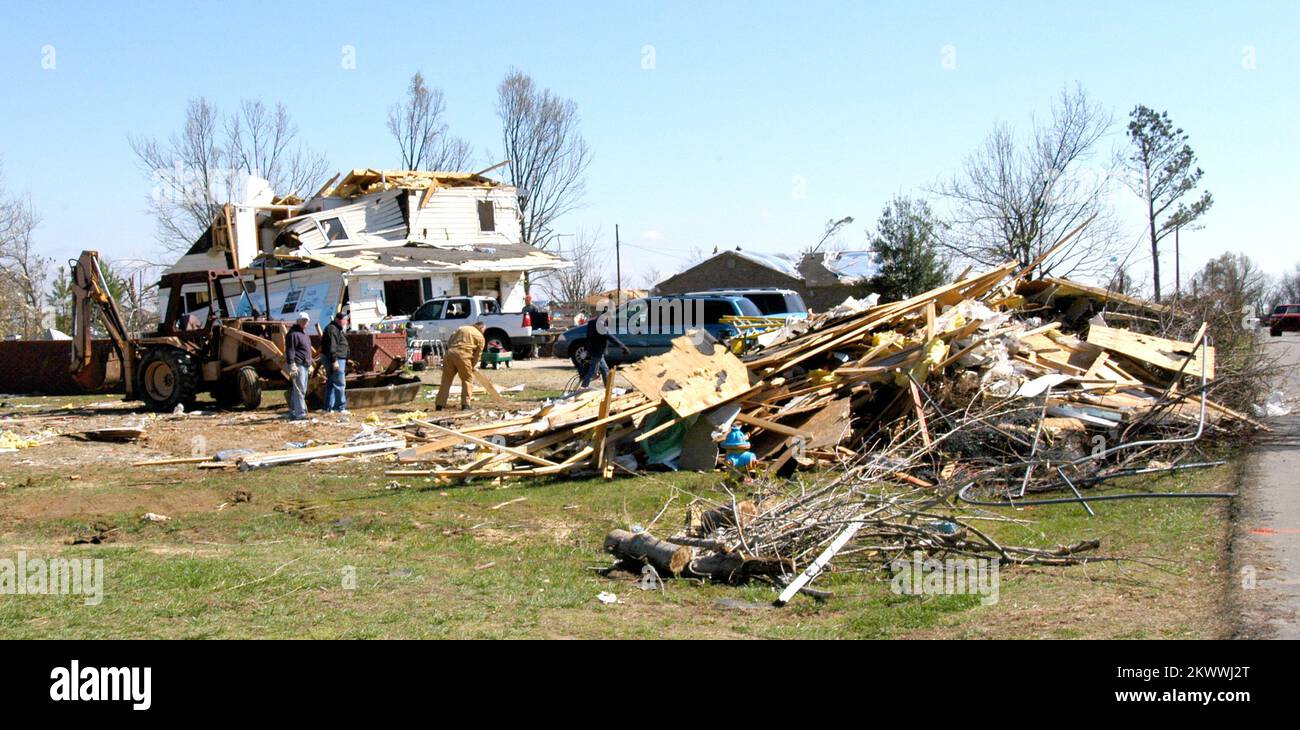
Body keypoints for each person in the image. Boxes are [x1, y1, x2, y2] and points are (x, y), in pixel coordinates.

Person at [436, 321, 486, 410]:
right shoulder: (480, 336)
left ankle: (440, 405)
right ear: (481, 328)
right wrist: (472, 366)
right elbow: (478, 355)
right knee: (467, 379)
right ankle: (466, 405)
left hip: (450, 353)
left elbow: (450, 341)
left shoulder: (461, 328)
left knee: (446, 380)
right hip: (464, 355)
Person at [579, 310, 631, 388]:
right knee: (593, 372)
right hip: (597, 351)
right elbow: (610, 337)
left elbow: (588, 336)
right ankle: (583, 388)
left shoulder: (592, 322)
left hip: (593, 349)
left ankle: (608, 389)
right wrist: (623, 346)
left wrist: (587, 348)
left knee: (605, 370)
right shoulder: (601, 325)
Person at [285, 313, 314, 421]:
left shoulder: (304, 334)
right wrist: (292, 364)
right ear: (298, 321)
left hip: (305, 364)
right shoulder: (293, 334)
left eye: (306, 320)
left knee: (299, 389)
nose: (305, 322)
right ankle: (300, 414)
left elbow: (307, 351)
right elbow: (290, 350)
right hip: (298, 364)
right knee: (300, 390)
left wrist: (310, 364)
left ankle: (293, 412)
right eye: (303, 320)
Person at [321, 310, 351, 414]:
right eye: (344, 320)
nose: (346, 322)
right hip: (336, 358)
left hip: (338, 358)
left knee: (332, 382)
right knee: (339, 383)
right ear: (338, 320)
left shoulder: (337, 329)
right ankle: (340, 407)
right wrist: (334, 361)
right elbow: (332, 346)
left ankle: (328, 408)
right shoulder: (332, 329)